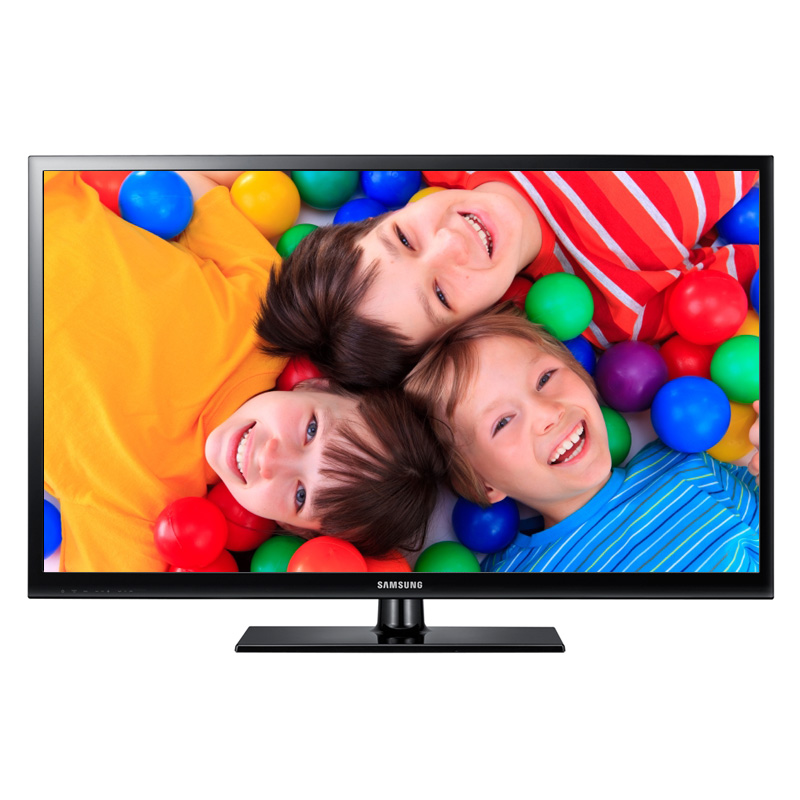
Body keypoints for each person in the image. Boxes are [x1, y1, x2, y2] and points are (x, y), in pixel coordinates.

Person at [44, 171, 447, 572]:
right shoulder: (264, 308)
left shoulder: (142, 515)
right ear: (320, 385)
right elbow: (193, 194)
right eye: (311, 430)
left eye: (301, 495)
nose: (272, 457)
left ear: (291, 527)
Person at [255, 168, 760, 389]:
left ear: (381, 216)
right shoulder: (617, 305)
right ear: (474, 328)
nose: (450, 243)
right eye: (440, 293)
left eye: (404, 238)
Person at [404, 305, 760, 573]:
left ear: (582, 376)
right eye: (503, 422)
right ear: (484, 484)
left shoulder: (684, 464)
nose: (548, 413)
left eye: (545, 378)